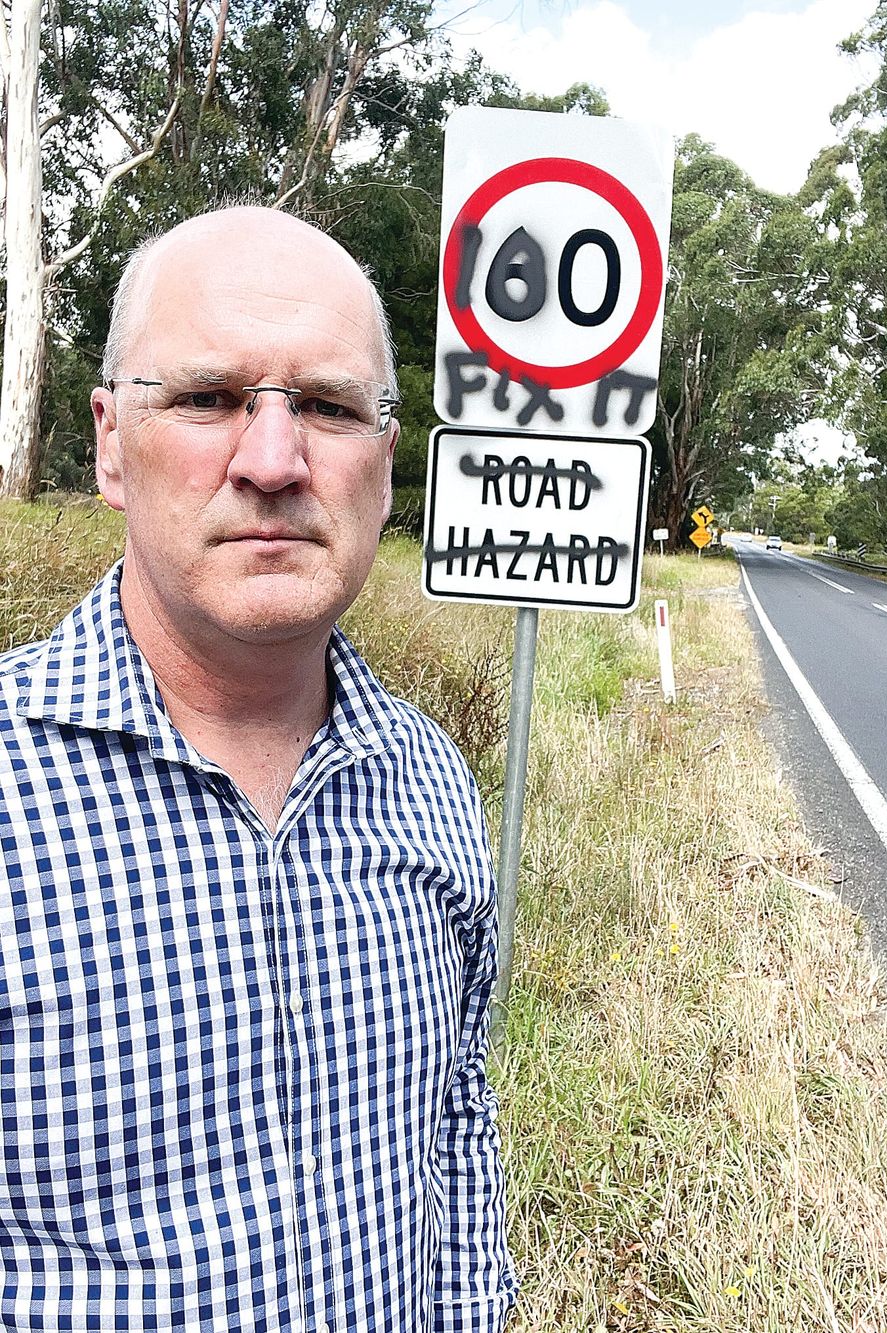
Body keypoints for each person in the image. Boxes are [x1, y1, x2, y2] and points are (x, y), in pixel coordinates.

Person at [0, 207, 518, 1332]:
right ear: (109, 444)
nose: (274, 461)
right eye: (207, 397)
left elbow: (455, 1120)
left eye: (328, 406)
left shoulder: (430, 781)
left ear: (386, 464)